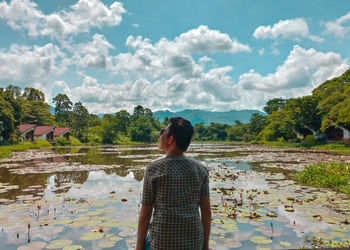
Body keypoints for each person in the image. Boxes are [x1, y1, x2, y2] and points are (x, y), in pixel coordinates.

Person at [136, 117, 211, 250]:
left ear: (170, 139)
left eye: (162, 131)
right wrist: (204, 246)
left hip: (161, 243)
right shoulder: (201, 169)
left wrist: (138, 248)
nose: (160, 135)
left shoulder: (154, 169)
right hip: (194, 243)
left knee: (146, 241)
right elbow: (206, 211)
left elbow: (145, 214)